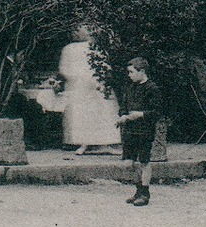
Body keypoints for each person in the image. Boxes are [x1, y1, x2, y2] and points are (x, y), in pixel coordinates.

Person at [57, 26, 121, 155]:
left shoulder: (97, 47)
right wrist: (78, 78)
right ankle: (84, 143)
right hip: (78, 86)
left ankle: (105, 143)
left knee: (103, 113)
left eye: (79, 30)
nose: (75, 32)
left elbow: (104, 66)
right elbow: (64, 69)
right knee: (82, 114)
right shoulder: (69, 49)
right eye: (75, 30)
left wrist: (101, 79)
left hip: (97, 86)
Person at [117, 57, 161, 206]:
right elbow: (124, 105)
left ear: (141, 71)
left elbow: (156, 112)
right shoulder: (130, 87)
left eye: (131, 72)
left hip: (144, 131)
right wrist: (123, 115)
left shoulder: (152, 89)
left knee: (144, 161)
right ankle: (138, 189)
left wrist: (141, 114)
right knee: (129, 163)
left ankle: (145, 193)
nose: (129, 75)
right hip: (129, 130)